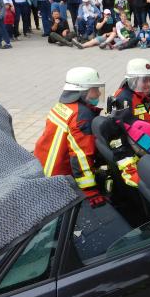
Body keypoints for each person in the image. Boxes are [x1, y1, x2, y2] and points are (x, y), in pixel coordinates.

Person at [34, 67, 106, 208]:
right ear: (83, 91)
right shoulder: (81, 115)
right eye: (95, 89)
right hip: (59, 179)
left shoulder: (63, 106)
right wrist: (90, 191)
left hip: (41, 167)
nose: (98, 93)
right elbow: (81, 157)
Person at [112, 58, 150, 130]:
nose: (149, 84)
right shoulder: (123, 99)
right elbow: (124, 131)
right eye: (144, 80)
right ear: (133, 80)